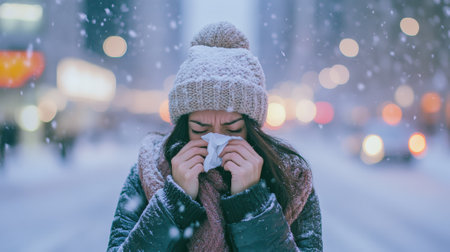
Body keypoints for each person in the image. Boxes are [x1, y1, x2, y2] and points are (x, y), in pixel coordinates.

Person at [107, 22, 322, 251]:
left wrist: (252, 202)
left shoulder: (291, 178)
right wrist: (174, 200)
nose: (216, 142)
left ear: (251, 129)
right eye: (200, 130)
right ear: (184, 127)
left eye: (232, 130)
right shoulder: (150, 171)